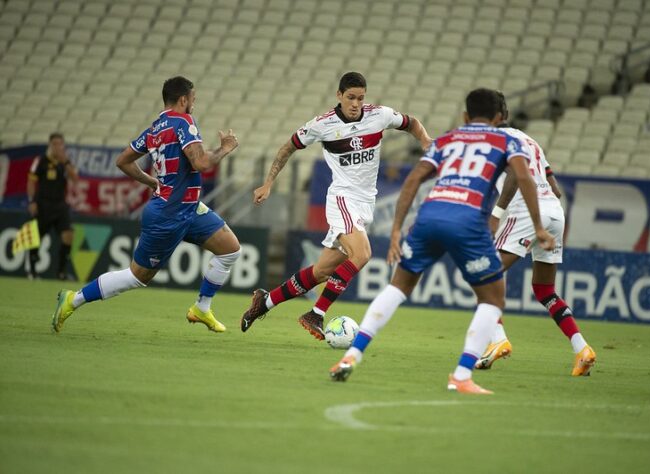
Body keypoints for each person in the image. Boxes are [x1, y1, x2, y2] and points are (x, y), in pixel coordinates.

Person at [329, 88, 555, 394]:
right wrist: (539, 227)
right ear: (499, 118)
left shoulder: (448, 139)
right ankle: (462, 375)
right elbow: (524, 178)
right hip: (468, 221)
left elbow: (413, 179)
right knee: (493, 297)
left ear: (464, 116)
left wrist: (396, 230)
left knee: (398, 287)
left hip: (429, 217)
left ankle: (351, 356)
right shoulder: (507, 139)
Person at [240, 72, 432, 340]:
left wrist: (425, 142)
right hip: (342, 198)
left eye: (361, 98)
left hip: (365, 204)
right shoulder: (323, 125)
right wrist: (268, 182)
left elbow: (412, 123)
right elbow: (288, 148)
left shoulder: (379, 115)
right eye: (351, 97)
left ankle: (265, 301)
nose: (356, 103)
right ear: (339, 96)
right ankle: (316, 313)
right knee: (363, 254)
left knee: (322, 271)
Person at [52, 76, 240, 333]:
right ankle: (73, 299)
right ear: (183, 99)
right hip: (169, 214)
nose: (194, 104)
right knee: (136, 277)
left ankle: (202, 308)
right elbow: (201, 164)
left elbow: (123, 160)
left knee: (230, 249)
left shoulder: (155, 128)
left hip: (188, 207)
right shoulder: (183, 121)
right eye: (193, 99)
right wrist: (225, 148)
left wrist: (151, 181)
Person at [477, 92, 596, 376]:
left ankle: (498, 341)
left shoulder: (496, 140)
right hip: (555, 212)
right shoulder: (530, 141)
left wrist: (496, 214)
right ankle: (582, 349)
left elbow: (517, 176)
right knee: (545, 290)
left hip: (526, 213)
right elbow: (554, 187)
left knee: (483, 274)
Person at [27, 133, 79, 280]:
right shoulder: (40, 161)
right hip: (42, 204)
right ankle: (32, 271)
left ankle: (61, 272)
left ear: (63, 145)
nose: (57, 147)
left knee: (68, 236)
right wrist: (31, 201)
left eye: (60, 144)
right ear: (50, 145)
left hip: (60, 205)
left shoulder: (65, 162)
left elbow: (75, 178)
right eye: (54, 144)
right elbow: (31, 182)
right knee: (36, 237)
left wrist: (66, 162)